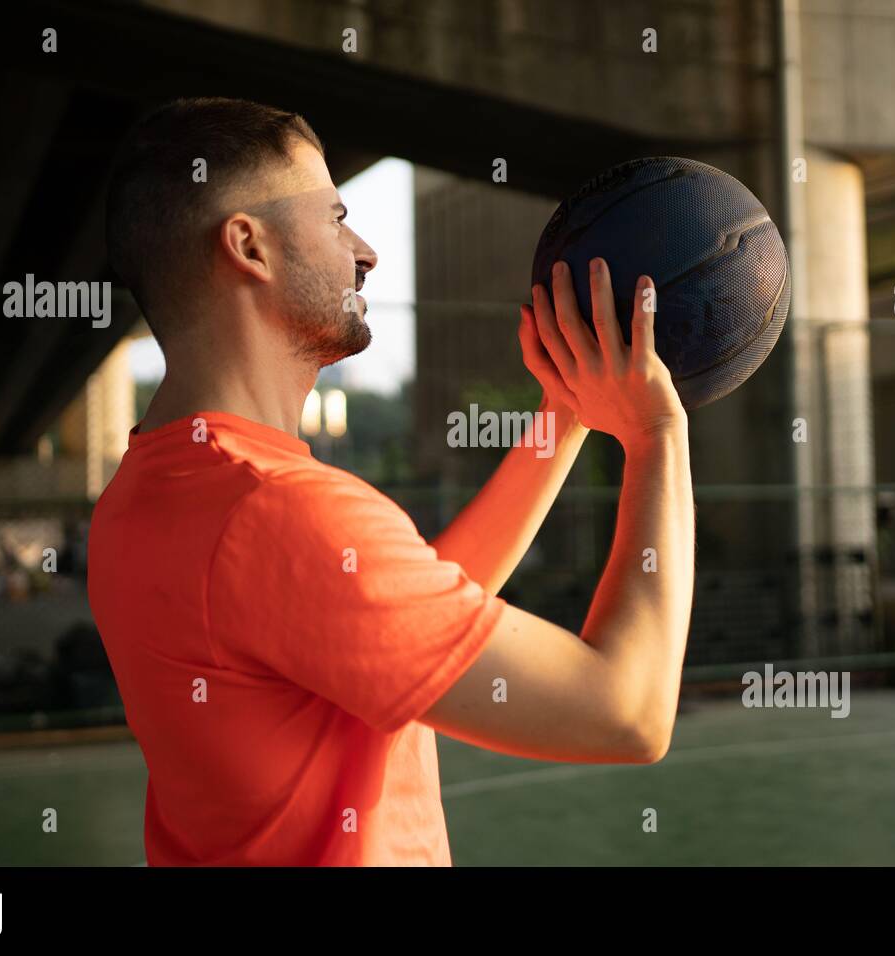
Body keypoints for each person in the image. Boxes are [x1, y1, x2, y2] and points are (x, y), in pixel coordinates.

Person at [89, 97, 694, 866]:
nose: (364, 249)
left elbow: (389, 615)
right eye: (335, 217)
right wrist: (656, 437)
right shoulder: (280, 510)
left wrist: (564, 416)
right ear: (250, 245)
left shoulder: (145, 491)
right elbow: (627, 713)